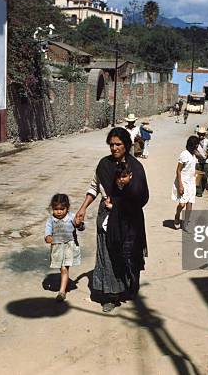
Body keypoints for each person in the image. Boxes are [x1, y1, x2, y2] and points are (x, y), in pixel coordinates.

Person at [75, 127, 149, 313]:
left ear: (126, 145)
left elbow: (142, 196)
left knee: (128, 254)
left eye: (118, 144)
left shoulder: (135, 168)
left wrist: (121, 199)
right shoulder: (104, 165)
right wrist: (83, 208)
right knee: (107, 254)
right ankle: (110, 295)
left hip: (129, 217)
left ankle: (129, 285)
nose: (114, 148)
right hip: (107, 216)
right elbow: (94, 187)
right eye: (111, 145)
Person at [44, 194, 85, 302]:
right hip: (57, 248)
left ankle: (62, 292)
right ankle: (64, 284)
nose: (59, 212)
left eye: (62, 209)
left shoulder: (71, 217)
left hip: (69, 246)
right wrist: (48, 237)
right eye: (56, 209)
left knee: (64, 268)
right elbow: (48, 232)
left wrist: (79, 224)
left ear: (67, 208)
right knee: (62, 268)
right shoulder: (51, 220)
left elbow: (80, 227)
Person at [172, 136, 199, 230]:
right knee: (182, 204)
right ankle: (177, 216)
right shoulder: (184, 154)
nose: (197, 147)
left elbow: (192, 167)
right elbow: (178, 170)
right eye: (196, 145)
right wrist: (180, 185)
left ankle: (186, 223)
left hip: (191, 182)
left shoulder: (194, 155)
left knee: (190, 203)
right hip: (183, 182)